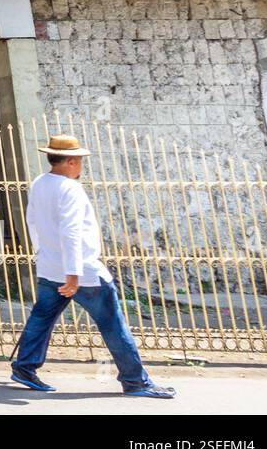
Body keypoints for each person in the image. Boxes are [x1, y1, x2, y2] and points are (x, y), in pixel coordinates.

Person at [10, 134, 175, 399]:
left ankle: (25, 367)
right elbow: (71, 232)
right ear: (72, 161)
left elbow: (31, 221)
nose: (82, 166)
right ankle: (136, 381)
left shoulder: (40, 182)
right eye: (81, 161)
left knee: (41, 319)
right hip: (82, 273)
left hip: (50, 267)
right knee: (113, 324)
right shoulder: (70, 189)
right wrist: (73, 275)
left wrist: (42, 253)